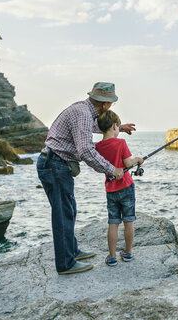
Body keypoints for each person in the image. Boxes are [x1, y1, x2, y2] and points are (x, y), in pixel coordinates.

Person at [37, 82, 135, 275]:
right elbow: (86, 151)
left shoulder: (85, 111)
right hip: (55, 165)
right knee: (63, 214)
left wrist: (119, 128)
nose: (110, 108)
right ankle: (65, 264)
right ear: (105, 105)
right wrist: (112, 170)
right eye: (111, 104)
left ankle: (72, 251)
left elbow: (93, 127)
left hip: (56, 164)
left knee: (69, 210)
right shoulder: (83, 113)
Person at [95, 110, 144, 266]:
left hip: (110, 189)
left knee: (113, 222)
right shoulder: (121, 143)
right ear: (115, 126)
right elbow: (128, 163)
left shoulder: (98, 147)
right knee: (129, 221)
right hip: (126, 187)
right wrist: (138, 159)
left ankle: (112, 256)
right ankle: (128, 253)